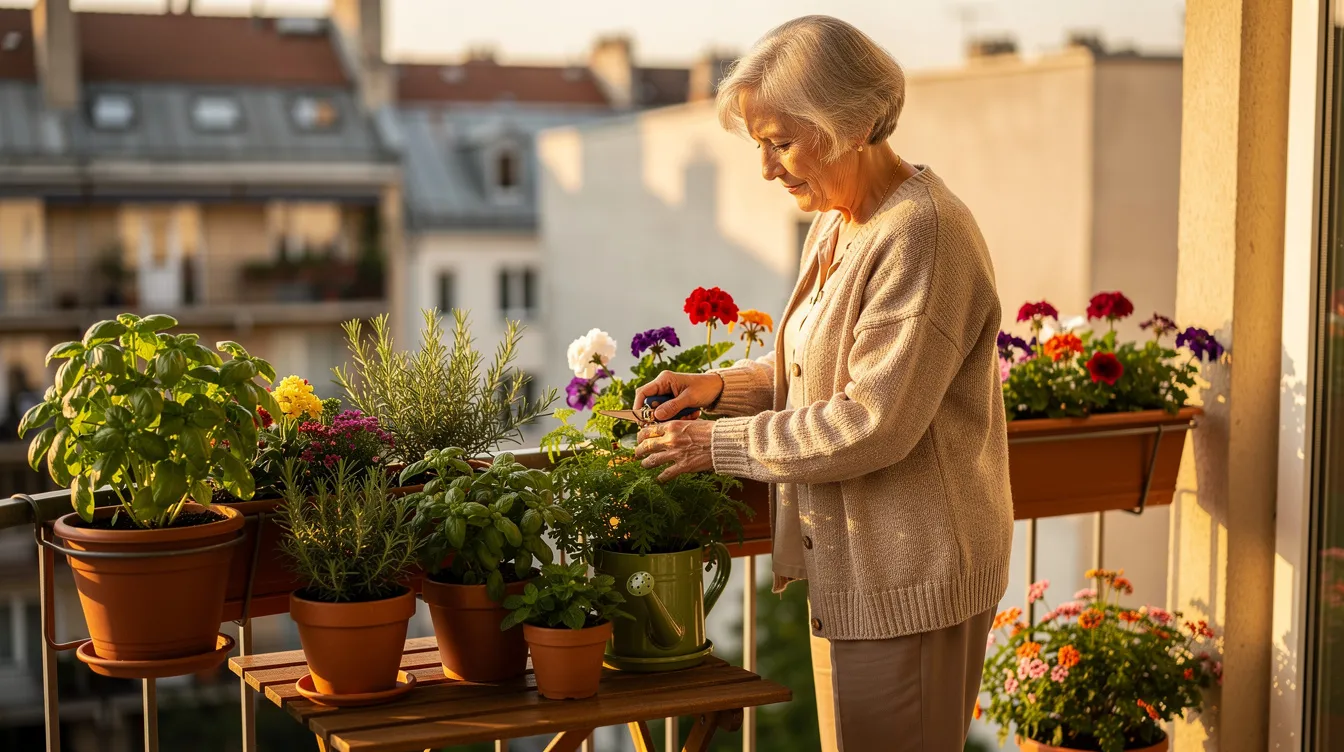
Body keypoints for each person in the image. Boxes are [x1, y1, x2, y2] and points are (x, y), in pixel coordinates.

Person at [632, 15, 1014, 752]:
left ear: (854, 122)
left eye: (780, 142)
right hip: (858, 569)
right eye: (759, 146)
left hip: (911, 578)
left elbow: (872, 419)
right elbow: (813, 368)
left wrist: (717, 444)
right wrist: (719, 389)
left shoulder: (922, 233)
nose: (768, 169)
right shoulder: (841, 220)